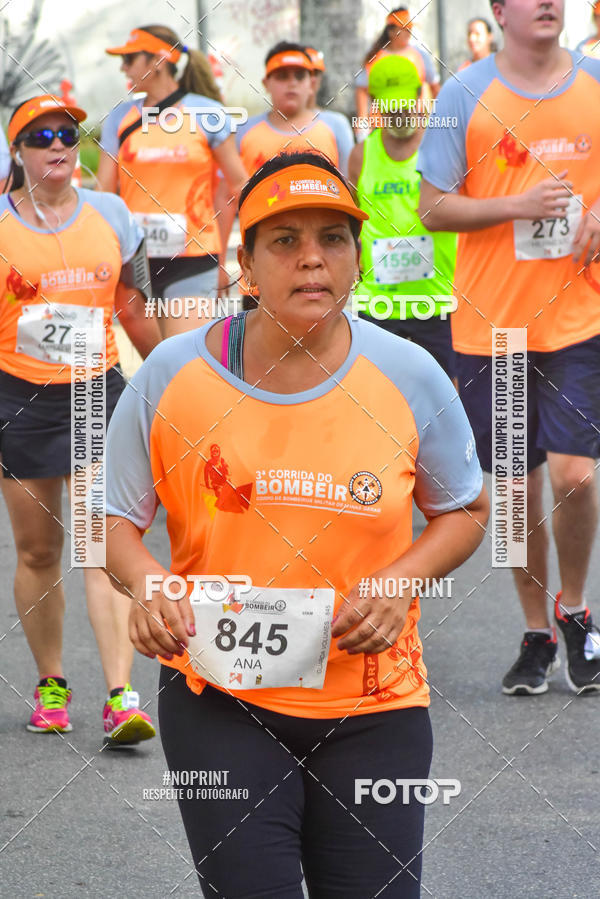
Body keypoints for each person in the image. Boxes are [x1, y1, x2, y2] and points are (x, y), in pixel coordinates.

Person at [103, 150, 488, 896]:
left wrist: (397, 579)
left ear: (358, 257)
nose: (312, 259)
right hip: (220, 699)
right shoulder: (171, 376)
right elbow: (116, 517)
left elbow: (468, 510)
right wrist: (148, 583)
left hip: (376, 704)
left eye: (333, 238)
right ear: (245, 265)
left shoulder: (411, 375)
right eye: (284, 240)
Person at [417, 0, 600, 695]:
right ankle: (535, 632)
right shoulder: (463, 93)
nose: (549, 2)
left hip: (581, 316)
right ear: (499, 10)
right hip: (496, 329)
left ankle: (576, 609)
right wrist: (516, 205)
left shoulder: (595, 80)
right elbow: (432, 207)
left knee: (576, 475)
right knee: (517, 494)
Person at [0, 94, 161, 740]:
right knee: (40, 549)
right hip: (19, 395)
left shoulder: (115, 216)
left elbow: (134, 309)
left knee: (103, 547)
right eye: (41, 135)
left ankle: (122, 696)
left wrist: (174, 376)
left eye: (68, 132)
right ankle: (51, 682)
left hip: (97, 394)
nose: (58, 144)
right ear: (19, 152)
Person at [98, 25, 247, 336]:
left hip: (193, 259)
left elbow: (238, 187)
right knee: (155, 370)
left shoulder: (208, 113)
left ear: (158, 61)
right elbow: (102, 194)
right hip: (134, 263)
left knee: (185, 364)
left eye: (130, 59)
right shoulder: (118, 118)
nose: (123, 67)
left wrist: (230, 259)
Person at [348, 55, 457, 379]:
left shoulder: (444, 148)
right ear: (375, 104)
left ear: (420, 94)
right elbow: (349, 225)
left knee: (447, 402)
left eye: (407, 105)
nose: (401, 115)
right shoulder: (361, 156)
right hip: (378, 305)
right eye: (391, 109)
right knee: (379, 401)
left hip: (436, 301)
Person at [355, 7, 440, 138]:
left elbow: (436, 88)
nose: (408, 32)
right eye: (403, 29)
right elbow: (362, 90)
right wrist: (362, 127)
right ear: (390, 31)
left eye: (409, 29)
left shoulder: (420, 55)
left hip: (414, 126)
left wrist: (437, 117)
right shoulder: (374, 57)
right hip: (381, 128)